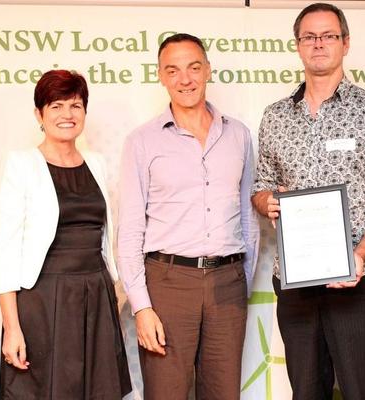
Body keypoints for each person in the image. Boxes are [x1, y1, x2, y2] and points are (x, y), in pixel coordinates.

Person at [251, 3, 365, 399]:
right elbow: (261, 186)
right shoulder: (275, 117)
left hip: (357, 280)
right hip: (296, 284)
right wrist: (268, 200)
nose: (318, 43)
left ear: (345, 43)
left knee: (364, 391)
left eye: (328, 35)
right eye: (309, 36)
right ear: (298, 45)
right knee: (306, 392)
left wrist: (360, 253)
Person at [117, 33, 259, 400]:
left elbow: (247, 217)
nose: (185, 79)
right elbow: (130, 230)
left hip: (227, 282)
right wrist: (142, 307)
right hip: (167, 286)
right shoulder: (142, 141)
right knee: (166, 393)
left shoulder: (239, 135)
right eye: (173, 70)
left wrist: (239, 277)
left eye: (194, 67)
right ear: (161, 76)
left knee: (224, 393)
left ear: (208, 70)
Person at [0, 70, 132, 399]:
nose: (67, 115)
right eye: (56, 105)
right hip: (44, 299)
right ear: (38, 114)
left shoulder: (96, 162)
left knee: (97, 389)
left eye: (75, 105)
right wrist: (12, 327)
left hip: (96, 293)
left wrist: (114, 292)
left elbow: (103, 236)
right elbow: (6, 246)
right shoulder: (21, 164)